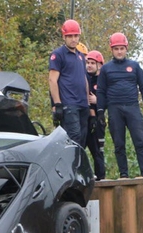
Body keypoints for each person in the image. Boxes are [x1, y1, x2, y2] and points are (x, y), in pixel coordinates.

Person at [96, 32, 143, 178]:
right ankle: (124, 174)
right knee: (119, 144)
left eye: (122, 48)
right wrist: (101, 111)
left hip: (132, 107)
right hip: (114, 108)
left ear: (126, 48)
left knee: (140, 141)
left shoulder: (134, 66)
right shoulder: (106, 69)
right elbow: (101, 91)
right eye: (116, 49)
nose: (119, 51)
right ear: (112, 50)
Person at [49, 19, 89, 147]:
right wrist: (57, 104)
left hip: (83, 103)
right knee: (73, 137)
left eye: (76, 35)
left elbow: (84, 79)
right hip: (69, 103)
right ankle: (71, 167)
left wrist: (87, 102)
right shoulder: (58, 54)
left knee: (83, 138)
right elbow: (52, 80)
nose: (73, 39)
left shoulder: (81, 56)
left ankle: (77, 166)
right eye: (70, 36)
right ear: (64, 37)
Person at [86, 50, 107, 180]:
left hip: (99, 120)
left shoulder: (103, 81)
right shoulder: (84, 78)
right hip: (85, 119)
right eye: (87, 62)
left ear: (99, 65)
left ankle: (101, 177)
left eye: (92, 63)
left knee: (98, 151)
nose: (89, 65)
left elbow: (111, 99)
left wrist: (98, 101)